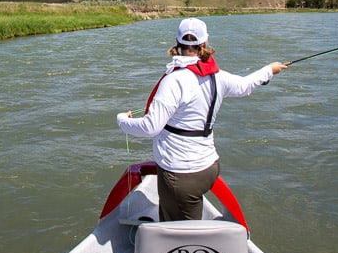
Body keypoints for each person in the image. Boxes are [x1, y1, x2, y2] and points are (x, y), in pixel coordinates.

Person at [116, 17, 288, 222]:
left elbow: (150, 127)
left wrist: (121, 121)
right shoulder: (218, 76)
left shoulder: (174, 80)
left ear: (177, 43)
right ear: (204, 44)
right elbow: (244, 86)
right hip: (210, 169)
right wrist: (269, 70)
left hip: (179, 177)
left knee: (180, 237)